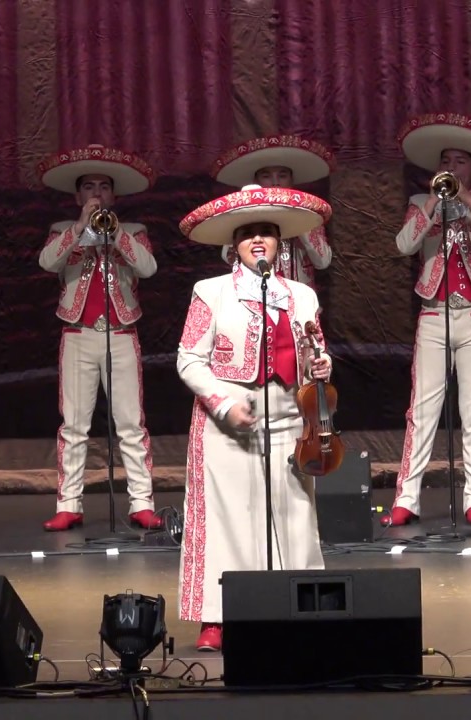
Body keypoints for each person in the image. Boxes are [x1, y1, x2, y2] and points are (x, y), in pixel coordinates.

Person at [175, 183, 334, 652]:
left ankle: (302, 604)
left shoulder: (302, 295)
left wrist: (322, 364)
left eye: (266, 231)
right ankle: (217, 617)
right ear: (235, 244)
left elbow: (316, 350)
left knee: (295, 512)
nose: (258, 240)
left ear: (279, 241)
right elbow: (189, 359)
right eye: (248, 233)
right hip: (229, 415)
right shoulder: (210, 292)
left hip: (288, 414)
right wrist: (223, 403)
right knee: (228, 516)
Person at [383, 113, 471, 528]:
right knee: (421, 411)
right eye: (446, 161)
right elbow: (404, 244)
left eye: (460, 162)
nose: (451, 168)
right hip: (433, 315)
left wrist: (470, 201)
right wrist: (432, 203)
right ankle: (406, 498)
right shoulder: (419, 203)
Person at [36, 144, 161, 532]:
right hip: (77, 334)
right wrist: (79, 227)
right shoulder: (61, 230)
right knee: (73, 426)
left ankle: (142, 503)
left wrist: (116, 232)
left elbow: (148, 268)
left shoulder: (134, 231)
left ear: (114, 195)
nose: (96, 193)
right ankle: (69, 504)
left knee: (131, 425)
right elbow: (47, 263)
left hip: (122, 333)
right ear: (78, 196)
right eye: (89, 187)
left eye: (103, 187)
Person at [212, 135, 335, 289]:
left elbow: (323, 262)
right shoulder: (245, 212)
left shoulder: (309, 213)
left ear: (291, 180)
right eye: (266, 176)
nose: (275, 182)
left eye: (282, 176)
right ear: (256, 181)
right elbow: (229, 257)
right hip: (255, 294)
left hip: (298, 296)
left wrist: (299, 217)